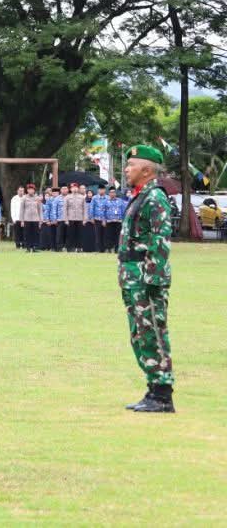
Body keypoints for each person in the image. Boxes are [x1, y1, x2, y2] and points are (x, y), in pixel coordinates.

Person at [117, 144, 176, 413]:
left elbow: (160, 240)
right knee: (139, 335)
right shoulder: (141, 196)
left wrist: (153, 280)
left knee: (152, 333)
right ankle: (153, 390)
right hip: (133, 278)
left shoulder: (155, 197)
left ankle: (162, 395)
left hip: (146, 280)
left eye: (131, 165)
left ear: (146, 170)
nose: (126, 169)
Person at [63, 183, 87, 252]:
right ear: (70, 189)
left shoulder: (82, 197)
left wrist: (85, 219)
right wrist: (66, 219)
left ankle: (79, 247)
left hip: (80, 218)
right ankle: (70, 248)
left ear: (78, 189)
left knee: (79, 234)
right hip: (70, 218)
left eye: (76, 187)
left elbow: (85, 209)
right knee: (70, 234)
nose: (74, 189)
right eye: (73, 188)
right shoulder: (67, 197)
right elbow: (65, 209)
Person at [19, 183, 43, 251]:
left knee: (35, 234)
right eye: (29, 189)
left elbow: (40, 210)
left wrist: (41, 220)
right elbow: (22, 210)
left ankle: (35, 247)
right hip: (27, 219)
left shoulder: (37, 198)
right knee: (27, 234)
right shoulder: (24, 198)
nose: (30, 191)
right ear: (27, 190)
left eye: (32, 189)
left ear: (34, 190)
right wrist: (22, 220)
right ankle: (28, 247)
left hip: (36, 219)